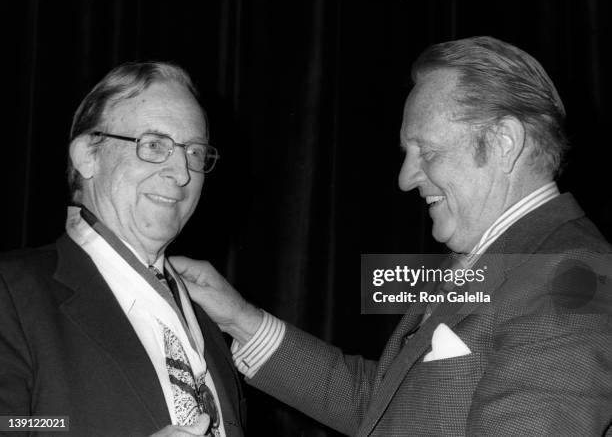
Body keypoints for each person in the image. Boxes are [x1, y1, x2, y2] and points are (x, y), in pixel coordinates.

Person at [171, 37, 612, 436]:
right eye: (408, 154)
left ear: (503, 143)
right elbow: (383, 404)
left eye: (429, 152)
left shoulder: (574, 279)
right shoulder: (498, 261)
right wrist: (239, 319)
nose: (405, 179)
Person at [0, 62, 245, 436]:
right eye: (153, 145)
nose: (182, 173)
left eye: (194, 152)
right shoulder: (11, 294)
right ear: (88, 156)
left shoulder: (208, 323)